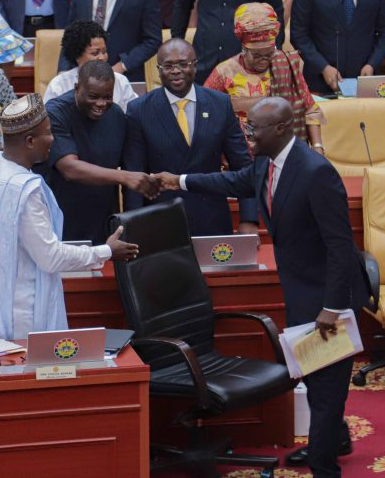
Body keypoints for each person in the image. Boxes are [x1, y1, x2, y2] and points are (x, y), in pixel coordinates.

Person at [154, 97, 370, 478]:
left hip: (330, 297)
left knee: (326, 384)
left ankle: (324, 467)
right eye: (246, 125)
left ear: (283, 128)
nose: (247, 133)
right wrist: (179, 181)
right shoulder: (264, 163)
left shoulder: (316, 172)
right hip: (301, 289)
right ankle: (334, 438)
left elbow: (340, 246)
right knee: (315, 374)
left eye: (254, 128)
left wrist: (333, 307)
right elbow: (230, 181)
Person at [0, 93, 139, 341]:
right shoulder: (24, 190)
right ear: (30, 141)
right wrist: (106, 251)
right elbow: (51, 257)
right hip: (20, 318)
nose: (53, 139)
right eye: (48, 132)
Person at [123, 38, 259, 236]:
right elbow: (134, 175)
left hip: (212, 218)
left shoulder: (220, 104)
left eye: (183, 64)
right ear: (159, 70)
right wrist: (133, 227)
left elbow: (242, 165)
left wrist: (249, 219)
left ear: (195, 66)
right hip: (160, 222)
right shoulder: (139, 110)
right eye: (168, 65)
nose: (176, 70)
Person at [45, 61, 158, 244]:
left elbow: (131, 162)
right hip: (63, 221)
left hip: (103, 223)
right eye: (93, 96)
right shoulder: (55, 112)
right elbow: (69, 169)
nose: (100, 104)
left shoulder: (116, 115)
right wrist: (125, 177)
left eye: (107, 97)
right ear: (77, 88)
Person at [204, 3, 324, 151]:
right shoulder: (225, 71)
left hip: (284, 153)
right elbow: (205, 109)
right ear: (244, 49)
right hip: (239, 155)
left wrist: (318, 147)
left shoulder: (286, 64)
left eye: (269, 54)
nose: (264, 60)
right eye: (257, 55)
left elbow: (311, 110)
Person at [43, 19, 138, 110]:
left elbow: (134, 114)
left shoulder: (120, 82)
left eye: (104, 52)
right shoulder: (59, 85)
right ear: (77, 56)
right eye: (95, 53)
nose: (102, 57)